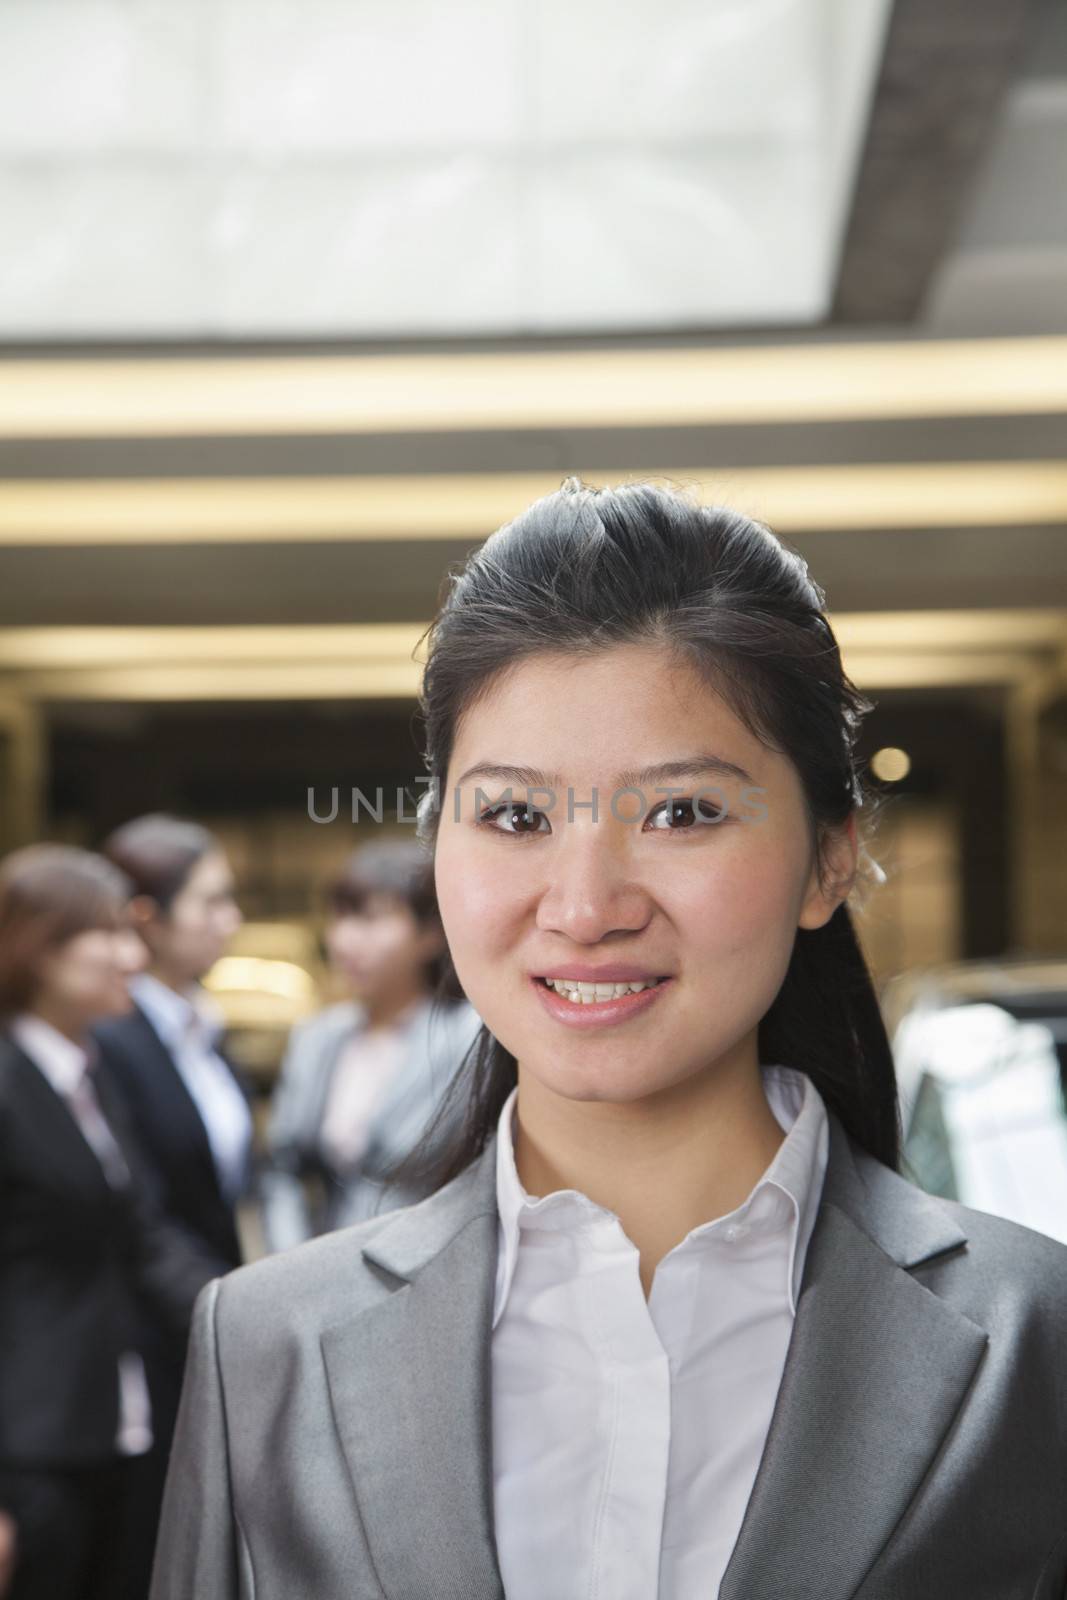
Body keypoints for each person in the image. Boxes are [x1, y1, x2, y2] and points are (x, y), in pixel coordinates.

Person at [150, 481, 1067, 1600]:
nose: (584, 907)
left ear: (831, 858)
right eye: (515, 816)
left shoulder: (1033, 1336)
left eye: (681, 811)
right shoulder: (264, 1345)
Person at [0, 845, 220, 1600]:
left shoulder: (86, 1074)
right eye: (109, 934)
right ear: (40, 945)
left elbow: (143, 1235)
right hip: (29, 1451)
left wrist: (249, 1314)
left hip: (112, 1422)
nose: (133, 955)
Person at [90, 815, 252, 1586]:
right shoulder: (111, 1039)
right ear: (147, 919)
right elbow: (137, 1214)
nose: (232, 920)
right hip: (152, 1338)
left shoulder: (201, 1027)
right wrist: (231, 1307)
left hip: (203, 1325)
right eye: (212, 902)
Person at [261, 839, 482, 1250]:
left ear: (430, 934)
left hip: (430, 1268)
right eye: (340, 918)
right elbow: (282, 1168)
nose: (345, 940)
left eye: (370, 919)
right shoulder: (320, 1037)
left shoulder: (469, 1038)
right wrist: (288, 1263)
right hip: (322, 1270)